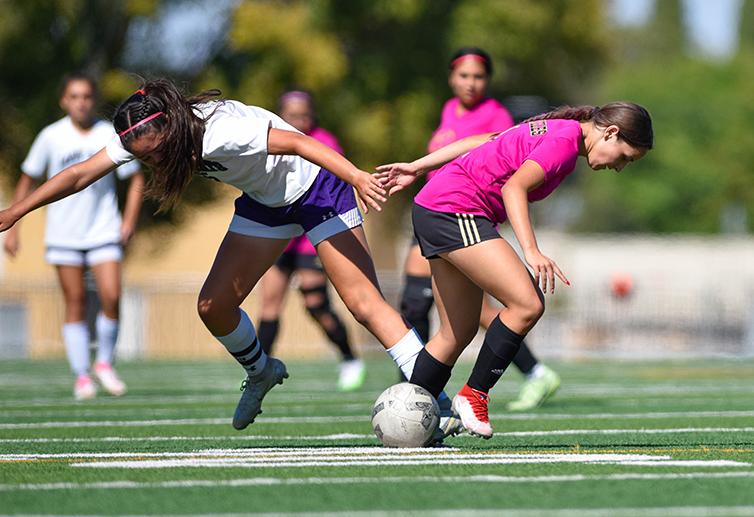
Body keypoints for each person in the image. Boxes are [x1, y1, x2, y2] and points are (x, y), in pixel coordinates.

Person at [0, 79, 458, 437]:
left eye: (155, 156)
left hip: (319, 189)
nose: (151, 164)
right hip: (266, 204)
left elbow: (297, 142)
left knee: (363, 303)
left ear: (169, 127)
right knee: (212, 307)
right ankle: (261, 371)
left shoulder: (222, 128)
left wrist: (355, 175)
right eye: (142, 159)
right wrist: (18, 211)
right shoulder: (138, 131)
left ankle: (439, 401)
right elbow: (81, 173)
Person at [377, 102, 653, 438]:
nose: (620, 167)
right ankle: (473, 395)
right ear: (610, 132)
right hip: (455, 208)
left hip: (436, 207)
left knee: (456, 333)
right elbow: (514, 188)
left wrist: (417, 167)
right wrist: (532, 251)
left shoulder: (559, 131)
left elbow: (482, 141)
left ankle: (408, 417)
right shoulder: (564, 143)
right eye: (625, 157)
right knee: (528, 304)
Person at [398, 47, 560, 411]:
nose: (471, 83)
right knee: (418, 303)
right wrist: (417, 168)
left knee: (478, 314)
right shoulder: (447, 111)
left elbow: (497, 156)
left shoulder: (496, 114)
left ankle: (532, 372)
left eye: (479, 76)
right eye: (464, 75)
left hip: (463, 212)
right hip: (435, 206)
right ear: (451, 77)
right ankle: (413, 395)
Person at [2, 72, 144, 400]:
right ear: (64, 101)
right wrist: (16, 224)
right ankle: (82, 376)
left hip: (103, 230)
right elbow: (28, 179)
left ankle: (104, 364)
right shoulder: (50, 137)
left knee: (111, 296)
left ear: (94, 100)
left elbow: (135, 179)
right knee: (75, 302)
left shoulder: (110, 133)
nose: (81, 103)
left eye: (87, 97)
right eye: (74, 97)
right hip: (64, 234)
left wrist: (130, 219)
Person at [257, 90, 365, 391]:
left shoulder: (325, 141)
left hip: (310, 235)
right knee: (269, 305)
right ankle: (258, 372)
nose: (298, 120)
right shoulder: (270, 140)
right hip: (280, 234)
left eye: (303, 114)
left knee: (315, 301)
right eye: (291, 115)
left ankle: (349, 357)